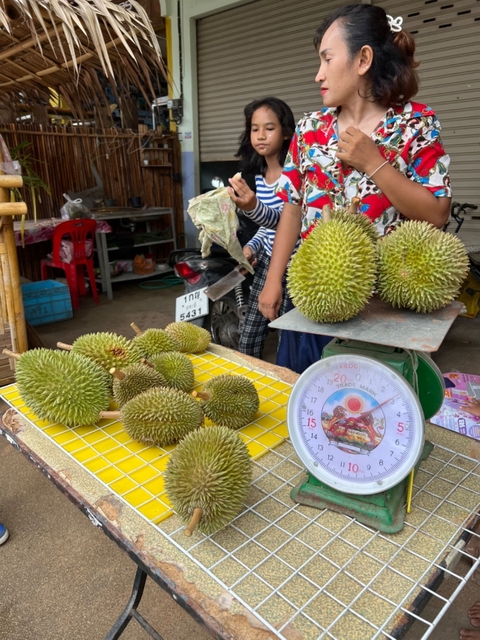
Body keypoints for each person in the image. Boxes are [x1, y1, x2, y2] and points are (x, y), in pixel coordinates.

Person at [245, 4, 451, 373]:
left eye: (326, 60)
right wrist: (273, 282)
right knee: (306, 396)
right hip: (313, 297)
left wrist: (374, 162)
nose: (318, 75)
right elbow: (292, 209)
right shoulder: (310, 130)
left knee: (367, 417)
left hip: (383, 305)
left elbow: (436, 213)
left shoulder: (414, 123)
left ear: (363, 60)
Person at [227, 97, 299, 359]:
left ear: (286, 132)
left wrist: (252, 207)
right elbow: (266, 229)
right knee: (248, 340)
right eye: (255, 129)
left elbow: (288, 224)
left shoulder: (294, 174)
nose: (261, 136)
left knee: (288, 343)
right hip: (268, 264)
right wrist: (252, 245)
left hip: (296, 265)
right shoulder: (257, 175)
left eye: (269, 128)